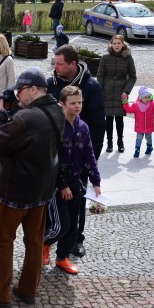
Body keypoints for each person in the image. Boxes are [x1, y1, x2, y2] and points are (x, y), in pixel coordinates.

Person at [0, 68, 64, 308]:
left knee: (3, 241)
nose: (18, 95)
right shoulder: (56, 110)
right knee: (34, 242)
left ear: (33, 89)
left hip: (14, 192)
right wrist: (13, 112)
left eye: (21, 90)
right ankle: (28, 290)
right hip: (42, 190)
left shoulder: (26, 119)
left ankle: (0, 295)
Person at [42, 86, 102, 276]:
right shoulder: (56, 126)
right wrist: (63, 185)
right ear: (63, 103)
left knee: (74, 226)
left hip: (76, 181)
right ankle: (42, 243)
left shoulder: (83, 127)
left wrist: (96, 181)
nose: (77, 106)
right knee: (62, 226)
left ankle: (62, 258)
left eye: (80, 102)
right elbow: (53, 159)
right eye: (73, 103)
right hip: (56, 184)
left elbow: (89, 155)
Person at [48, 44, 105, 159]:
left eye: (59, 64)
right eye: (55, 63)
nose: (55, 67)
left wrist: (93, 156)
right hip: (54, 155)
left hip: (80, 155)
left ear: (73, 64)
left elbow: (98, 125)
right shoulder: (50, 84)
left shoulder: (91, 86)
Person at [96, 34, 137, 153]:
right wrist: (101, 90)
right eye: (114, 43)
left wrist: (126, 91)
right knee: (108, 118)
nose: (116, 45)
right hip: (107, 91)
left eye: (119, 43)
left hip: (121, 91)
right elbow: (100, 76)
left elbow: (133, 76)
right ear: (111, 44)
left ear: (123, 44)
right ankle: (109, 142)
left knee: (119, 118)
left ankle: (120, 141)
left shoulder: (128, 57)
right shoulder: (105, 57)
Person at [121, 85, 154, 157]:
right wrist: (125, 102)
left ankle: (149, 147)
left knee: (148, 137)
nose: (147, 99)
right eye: (145, 98)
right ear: (141, 98)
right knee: (139, 138)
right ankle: (137, 150)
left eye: (148, 97)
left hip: (149, 126)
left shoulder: (152, 104)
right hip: (140, 126)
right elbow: (129, 110)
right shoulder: (136, 105)